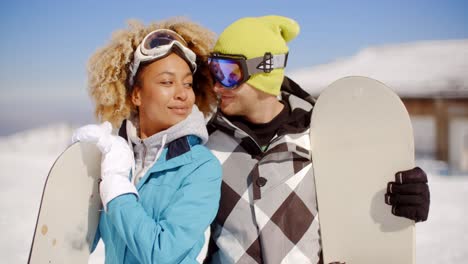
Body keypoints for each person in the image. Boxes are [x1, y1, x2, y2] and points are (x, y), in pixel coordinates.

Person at [204, 15, 430, 263]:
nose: (216, 86)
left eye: (228, 73)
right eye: (213, 71)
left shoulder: (322, 136)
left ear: (264, 70)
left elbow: (359, 207)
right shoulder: (207, 146)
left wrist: (403, 198)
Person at [72, 18, 222, 264]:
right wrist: (81, 173)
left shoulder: (201, 167)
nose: (182, 93)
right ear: (137, 95)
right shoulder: (118, 158)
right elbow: (81, 243)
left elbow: (163, 253)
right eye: (167, 82)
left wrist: (118, 189)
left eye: (187, 83)